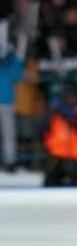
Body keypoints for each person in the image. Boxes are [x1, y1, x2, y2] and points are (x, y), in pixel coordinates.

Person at [41, 84, 77, 187]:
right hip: (56, 157)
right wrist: (52, 112)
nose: (70, 100)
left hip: (76, 157)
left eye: (73, 97)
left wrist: (75, 118)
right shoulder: (54, 112)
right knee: (50, 189)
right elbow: (40, 127)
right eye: (67, 97)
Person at [0, 34, 25, 172]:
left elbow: (18, 75)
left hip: (6, 100)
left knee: (8, 132)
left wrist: (9, 59)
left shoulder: (12, 59)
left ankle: (10, 161)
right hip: (6, 99)